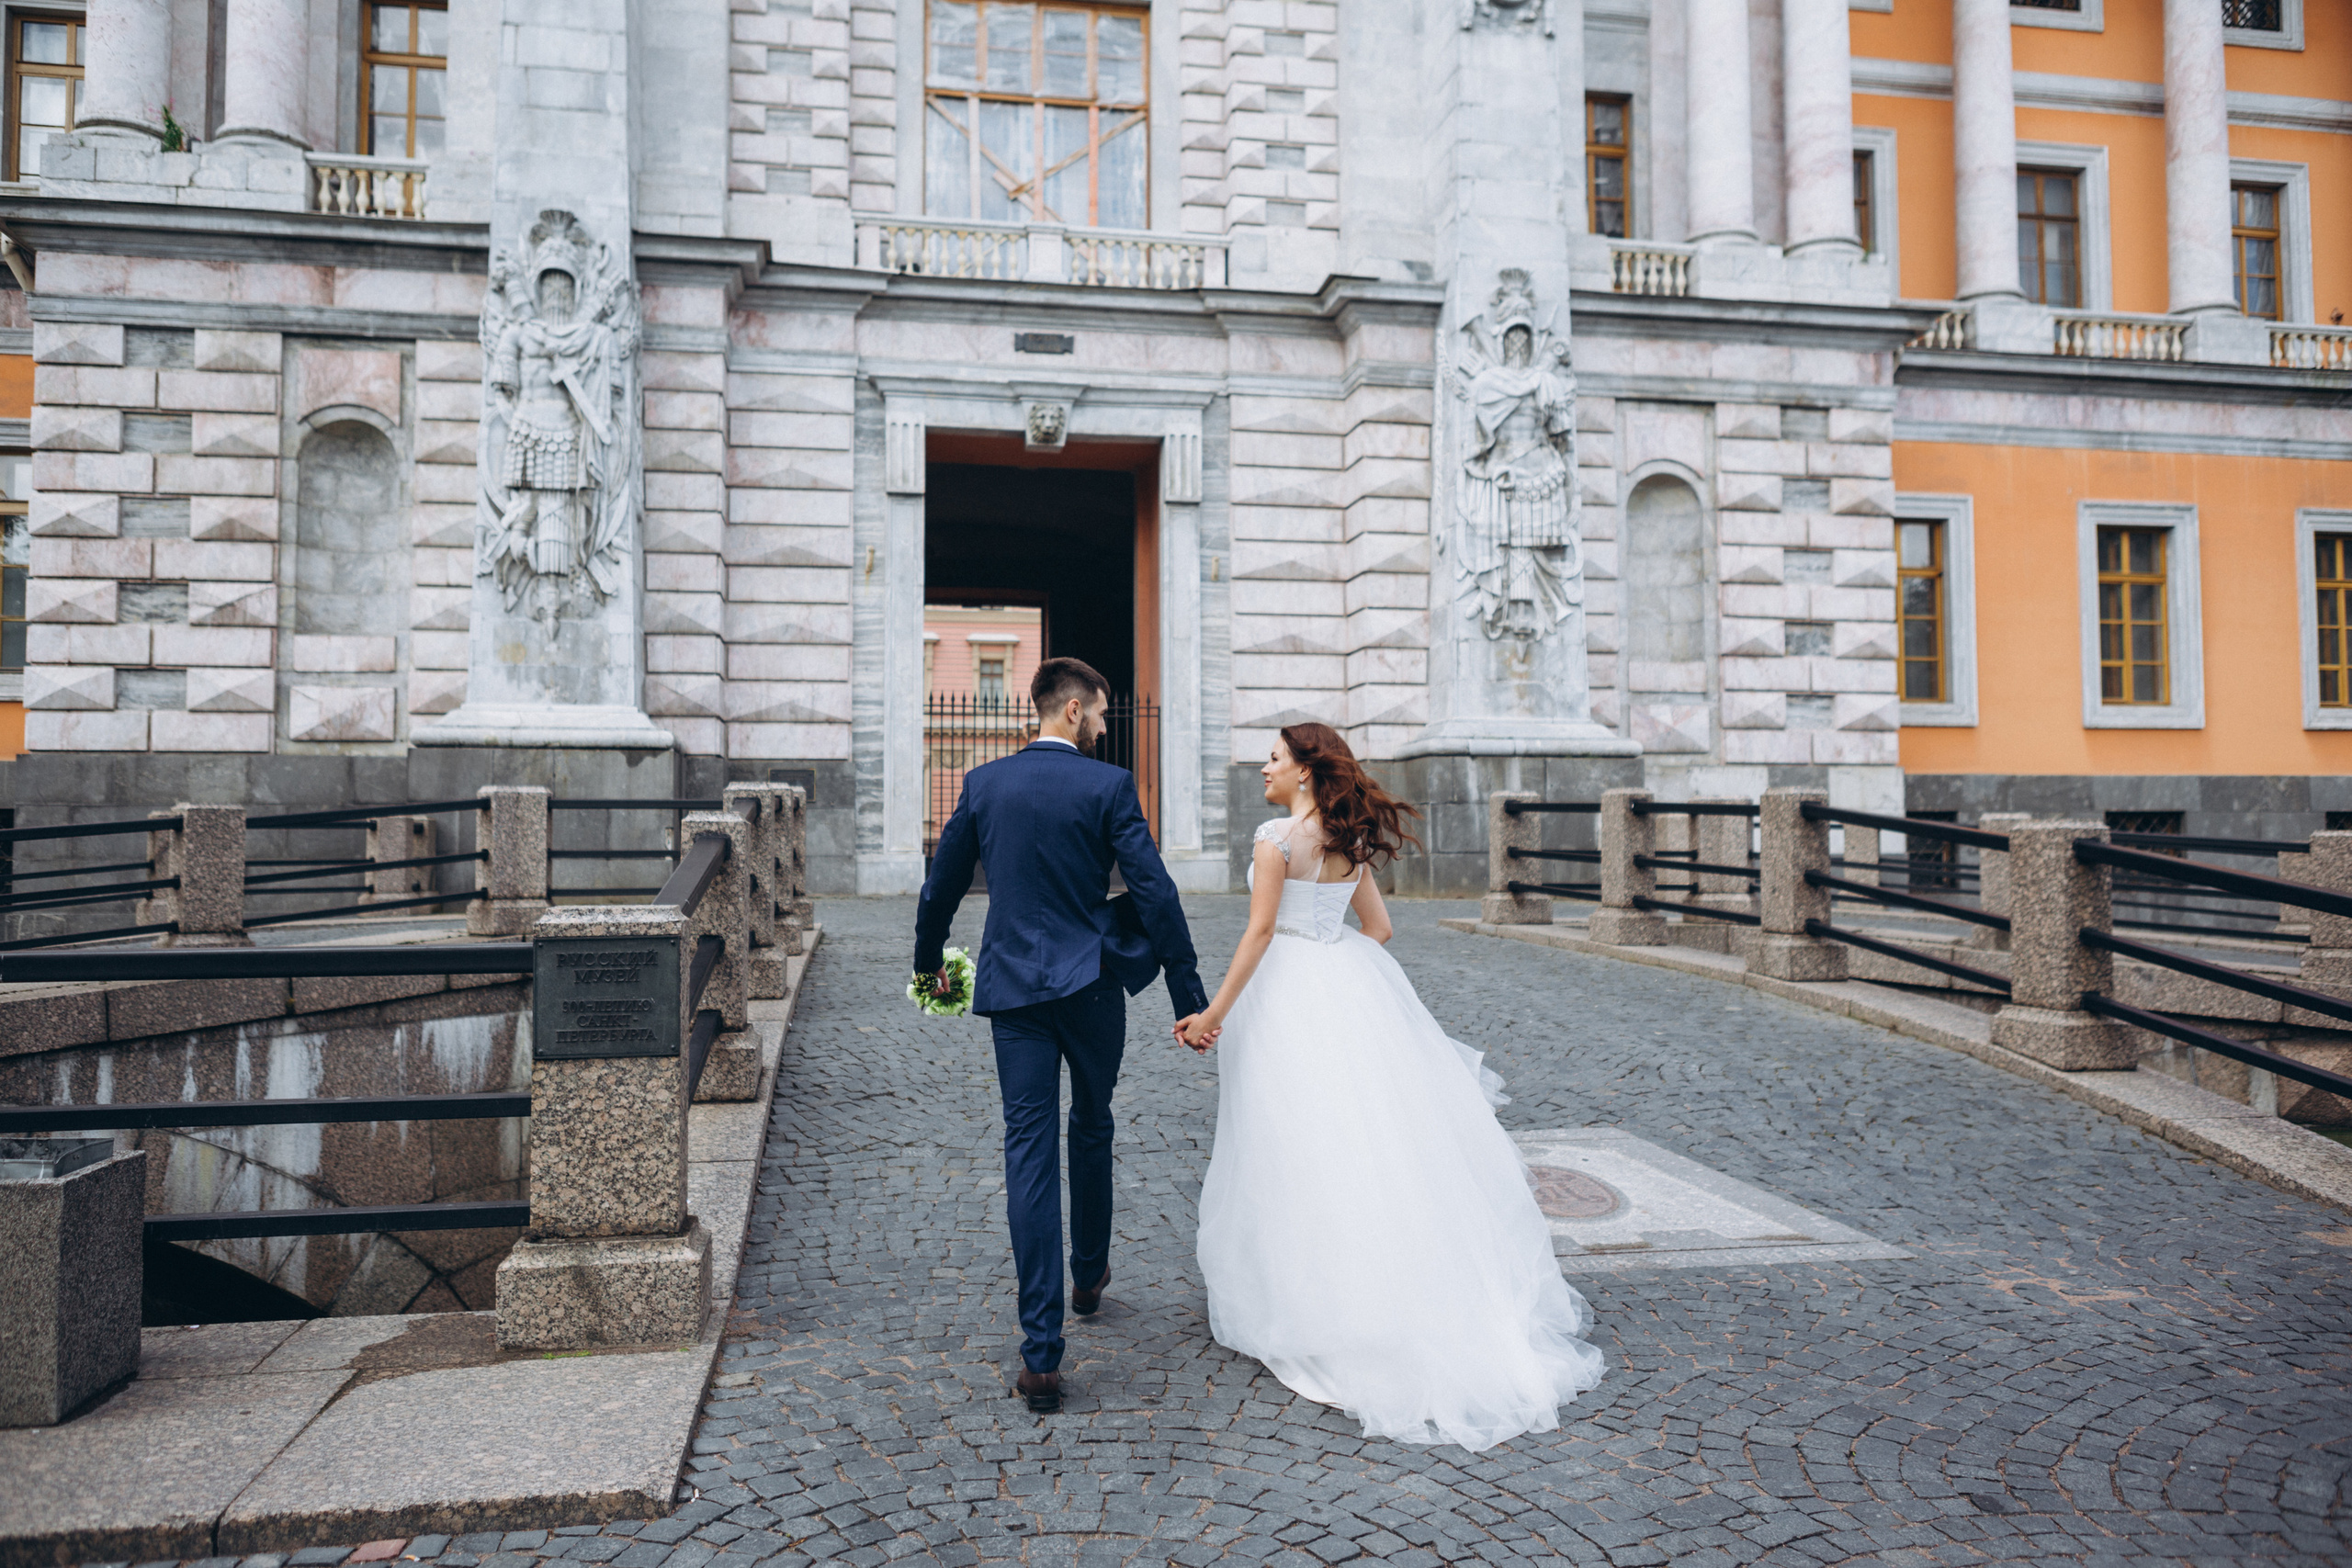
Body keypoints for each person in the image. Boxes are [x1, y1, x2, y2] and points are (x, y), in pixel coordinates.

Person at [1177, 722, 1605, 1450]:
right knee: (1364, 1147)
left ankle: (1312, 1301)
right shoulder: (1350, 840)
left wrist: (1212, 1014)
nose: (1263, 769)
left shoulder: (1275, 839)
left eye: (1274, 759)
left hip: (1284, 1001)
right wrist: (1335, 968)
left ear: (1306, 772)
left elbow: (1256, 935)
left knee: (1294, 1149)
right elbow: (1376, 930)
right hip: (1345, 991)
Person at [914, 657, 1209, 1414]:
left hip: (1012, 990)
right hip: (1090, 988)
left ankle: (1040, 1352)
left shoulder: (983, 785)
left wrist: (929, 968)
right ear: (1072, 710)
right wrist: (1186, 992)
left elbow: (941, 884)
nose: (1107, 727)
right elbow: (1155, 890)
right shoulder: (1107, 787)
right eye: (1103, 713)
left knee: (1028, 1148)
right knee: (1094, 1122)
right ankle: (1088, 1273)